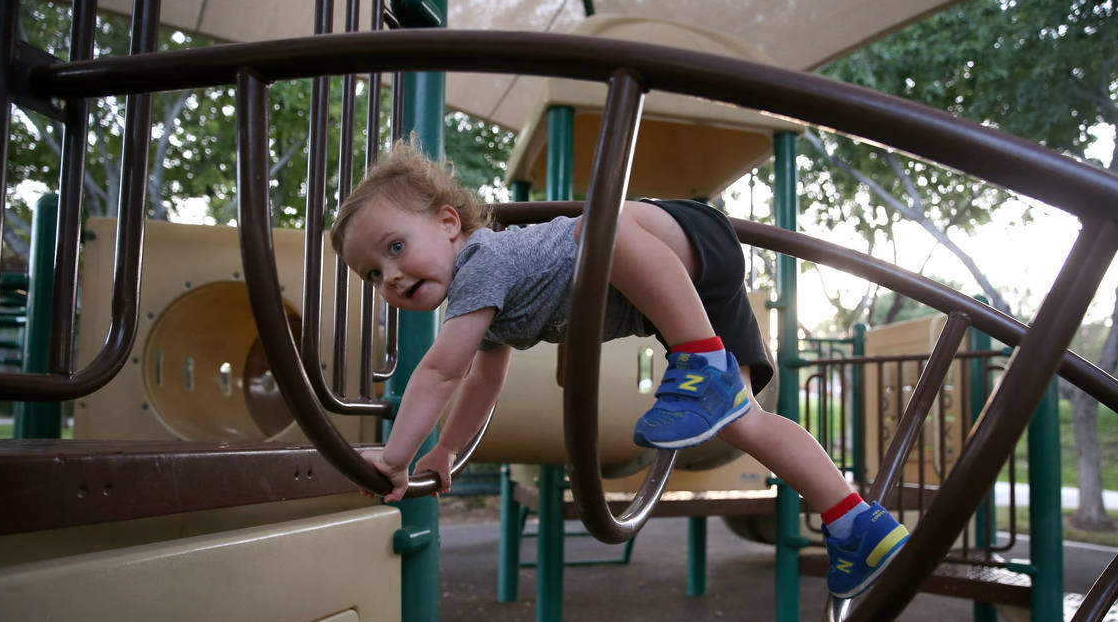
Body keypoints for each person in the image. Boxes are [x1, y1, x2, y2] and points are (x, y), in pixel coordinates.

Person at [330, 139, 909, 598]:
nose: (392, 277)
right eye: (373, 274)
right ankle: (856, 522)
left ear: (449, 222)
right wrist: (447, 451)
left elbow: (439, 374)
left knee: (594, 227)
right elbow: (483, 380)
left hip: (682, 239)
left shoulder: (481, 263)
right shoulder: (489, 311)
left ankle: (699, 360)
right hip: (691, 300)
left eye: (395, 248)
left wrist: (396, 456)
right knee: (745, 421)